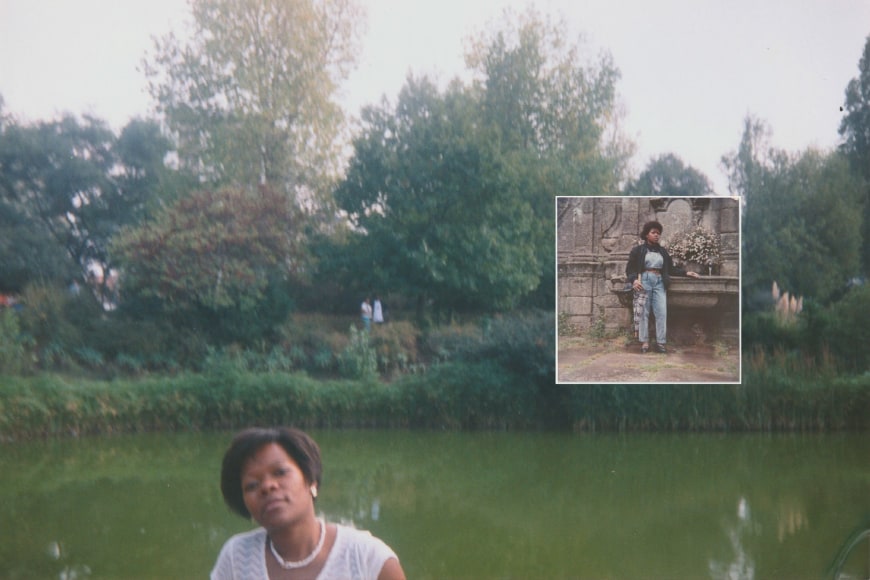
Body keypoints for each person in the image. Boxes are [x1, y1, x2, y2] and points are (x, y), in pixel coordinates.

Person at [211, 427, 406, 580]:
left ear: (311, 480)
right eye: (252, 485)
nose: (267, 486)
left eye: (280, 472)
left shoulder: (367, 558)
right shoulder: (237, 557)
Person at [625, 220, 700, 354]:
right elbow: (629, 269)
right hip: (644, 281)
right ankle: (645, 342)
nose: (656, 235)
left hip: (660, 281)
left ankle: (660, 343)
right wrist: (634, 280)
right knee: (643, 312)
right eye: (653, 232)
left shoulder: (663, 251)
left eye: (658, 233)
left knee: (661, 312)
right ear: (646, 234)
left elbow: (670, 269)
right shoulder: (638, 250)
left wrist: (686, 272)